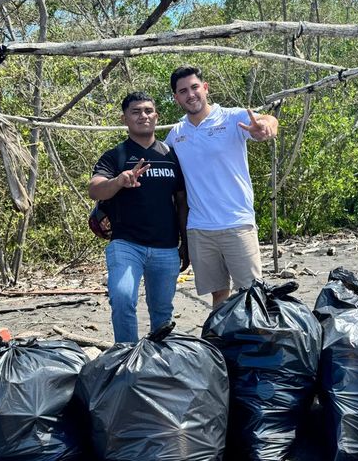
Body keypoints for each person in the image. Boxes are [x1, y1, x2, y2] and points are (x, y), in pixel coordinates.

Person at [166, 65, 278, 308]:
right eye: (183, 91)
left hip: (237, 223)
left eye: (195, 87)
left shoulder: (232, 118)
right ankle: (222, 344)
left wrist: (266, 126)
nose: (191, 94)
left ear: (205, 88)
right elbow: (160, 169)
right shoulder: (176, 134)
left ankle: (257, 344)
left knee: (252, 294)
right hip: (199, 229)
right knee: (219, 295)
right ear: (176, 98)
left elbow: (266, 120)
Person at [89, 91, 189, 343]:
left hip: (166, 247)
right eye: (135, 112)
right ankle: (127, 356)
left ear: (156, 116)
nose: (143, 116)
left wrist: (185, 243)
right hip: (126, 245)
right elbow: (95, 189)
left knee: (162, 314)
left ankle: (157, 361)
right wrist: (119, 180)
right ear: (125, 119)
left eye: (147, 111)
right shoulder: (116, 156)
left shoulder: (171, 155)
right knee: (122, 299)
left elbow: (181, 203)